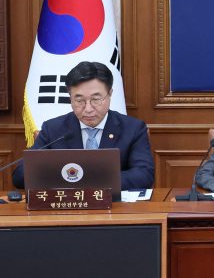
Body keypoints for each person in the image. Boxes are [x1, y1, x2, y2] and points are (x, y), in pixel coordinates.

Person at [12, 61, 154, 190]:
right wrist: (67, 179)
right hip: (67, 207)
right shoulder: (53, 129)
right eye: (79, 101)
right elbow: (20, 175)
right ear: (70, 97)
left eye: (96, 99)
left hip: (115, 207)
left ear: (110, 94)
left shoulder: (133, 129)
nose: (88, 109)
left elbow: (144, 175)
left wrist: (88, 180)